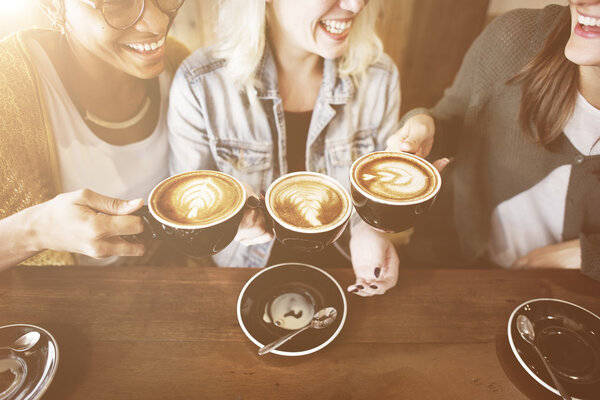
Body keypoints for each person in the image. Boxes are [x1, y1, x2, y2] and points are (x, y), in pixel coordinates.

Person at [168, 0, 403, 296]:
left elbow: (377, 197)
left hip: (345, 271)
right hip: (242, 278)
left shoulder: (380, 78)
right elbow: (187, 217)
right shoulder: (200, 84)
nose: (355, 5)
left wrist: (370, 230)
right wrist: (227, 220)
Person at [387, 0, 600, 280]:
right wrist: (424, 125)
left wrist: (586, 254)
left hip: (574, 295)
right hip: (450, 263)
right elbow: (453, 119)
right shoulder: (515, 36)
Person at [0, 0, 190, 270]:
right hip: (60, 305)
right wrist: (35, 230)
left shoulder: (180, 65)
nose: (158, 23)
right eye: (119, 4)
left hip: (167, 287)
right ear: (53, 7)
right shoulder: (7, 87)